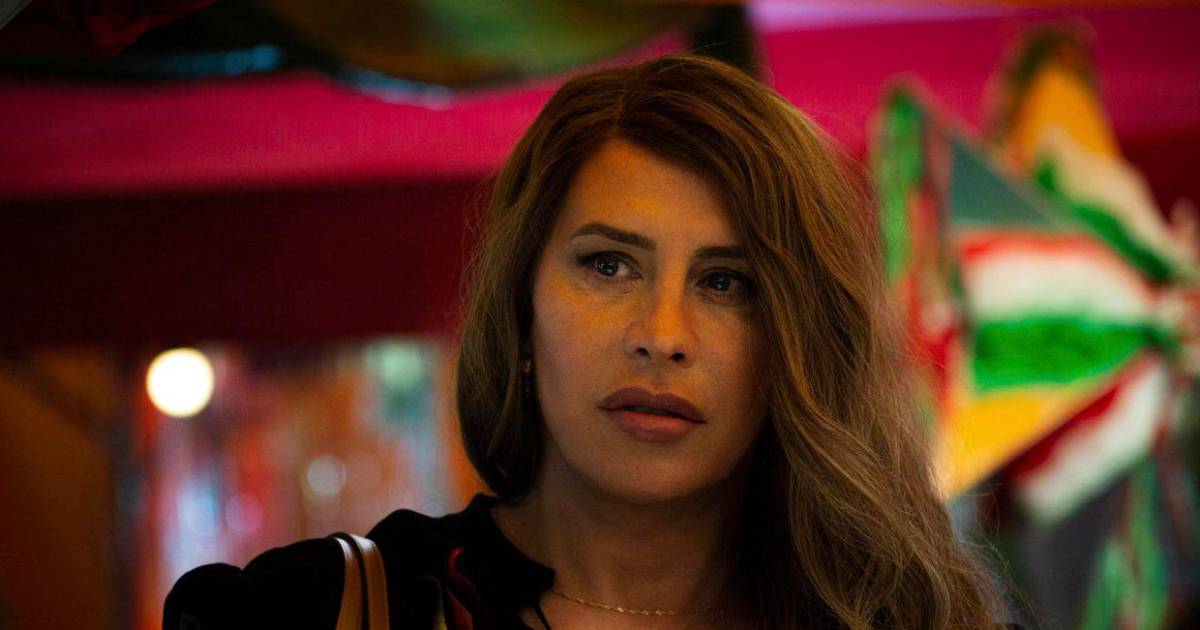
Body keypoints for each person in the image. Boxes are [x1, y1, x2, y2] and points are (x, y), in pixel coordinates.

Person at [165, 54, 1010, 629]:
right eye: (609, 265)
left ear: (799, 343)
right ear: (521, 305)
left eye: (727, 283)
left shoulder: (905, 618)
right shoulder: (314, 609)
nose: (661, 336)